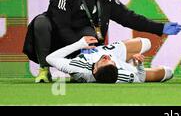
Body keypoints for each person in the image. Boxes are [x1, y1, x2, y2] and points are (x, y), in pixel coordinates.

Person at [23, 0, 181, 83]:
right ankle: (44, 69)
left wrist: (160, 28)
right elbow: (61, 25)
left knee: (89, 32)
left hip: (84, 46)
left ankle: (79, 72)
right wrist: (79, 46)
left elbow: (128, 17)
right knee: (41, 22)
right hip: (56, 40)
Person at [46, 36, 174, 83]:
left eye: (104, 61)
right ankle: (128, 61)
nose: (107, 59)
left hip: (98, 52)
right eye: (108, 61)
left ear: (94, 69)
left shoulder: (77, 67)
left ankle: (127, 59)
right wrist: (138, 64)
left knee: (146, 42)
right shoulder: (118, 76)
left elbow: (50, 58)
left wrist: (80, 44)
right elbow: (139, 78)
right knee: (167, 72)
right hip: (117, 61)